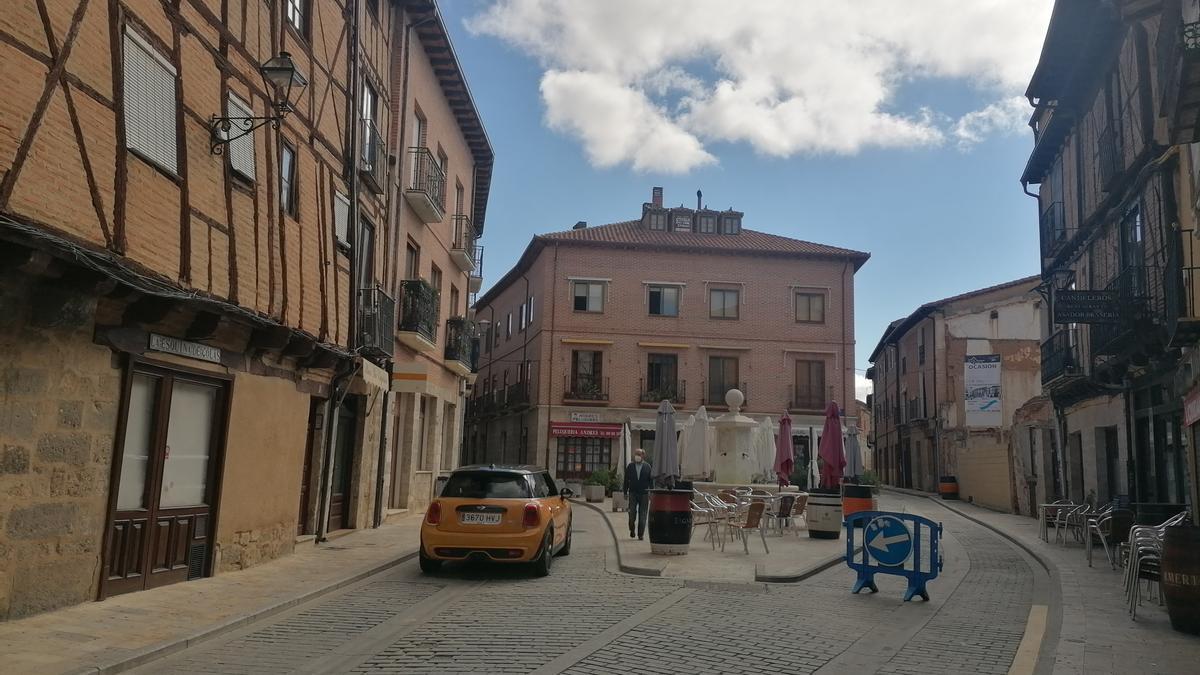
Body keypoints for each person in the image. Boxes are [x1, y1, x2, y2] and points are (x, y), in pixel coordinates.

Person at [624, 449, 653, 540]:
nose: (637, 456)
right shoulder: (630, 466)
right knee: (631, 513)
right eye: (636, 454)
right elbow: (626, 481)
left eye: (639, 454)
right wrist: (625, 492)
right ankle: (632, 529)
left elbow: (651, 481)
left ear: (643, 456)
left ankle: (641, 534)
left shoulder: (647, 467)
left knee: (643, 514)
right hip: (633, 493)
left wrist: (651, 492)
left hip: (644, 493)